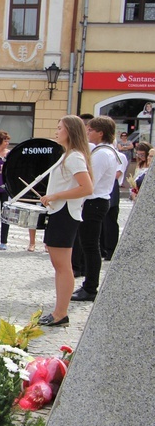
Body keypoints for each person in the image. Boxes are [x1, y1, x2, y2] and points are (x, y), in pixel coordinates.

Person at [39, 115, 93, 326]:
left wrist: (55, 196)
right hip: (59, 213)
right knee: (59, 265)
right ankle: (59, 311)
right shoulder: (69, 155)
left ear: (70, 131)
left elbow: (87, 188)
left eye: (60, 128)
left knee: (63, 266)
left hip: (65, 214)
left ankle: (61, 313)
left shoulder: (74, 157)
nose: (56, 131)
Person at [70, 116, 120, 303]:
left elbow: (91, 182)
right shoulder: (105, 151)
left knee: (90, 246)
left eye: (90, 130)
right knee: (89, 245)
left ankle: (90, 287)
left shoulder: (102, 154)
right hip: (96, 201)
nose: (87, 132)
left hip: (94, 202)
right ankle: (89, 284)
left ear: (100, 133)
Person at [100, 148, 127, 261]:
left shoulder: (119, 156)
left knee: (110, 220)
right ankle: (102, 248)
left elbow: (116, 174)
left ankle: (110, 249)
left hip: (112, 187)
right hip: (102, 187)